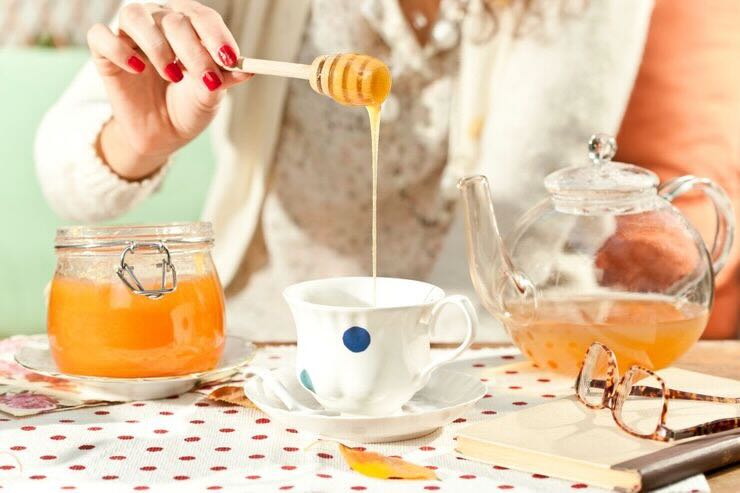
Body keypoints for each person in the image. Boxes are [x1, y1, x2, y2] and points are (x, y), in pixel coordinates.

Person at [36, 0, 739, 341]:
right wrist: (139, 138)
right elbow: (66, 176)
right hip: (265, 349)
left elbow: (500, 259)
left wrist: (379, 383)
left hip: (493, 347)